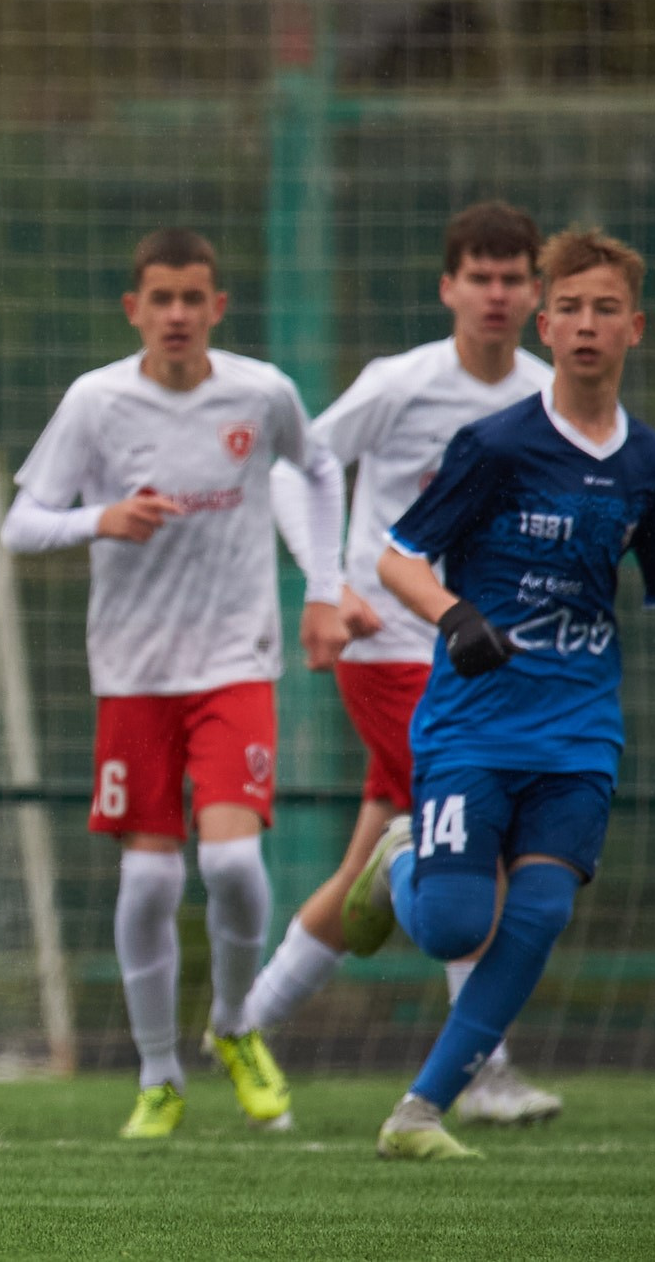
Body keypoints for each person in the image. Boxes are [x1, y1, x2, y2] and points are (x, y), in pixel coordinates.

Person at [345, 227, 655, 1162]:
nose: (585, 324)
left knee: (538, 913)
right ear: (545, 319)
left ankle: (419, 1113)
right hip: (474, 722)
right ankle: (400, 861)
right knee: (455, 921)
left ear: (633, 328)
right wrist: (456, 619)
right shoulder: (494, 445)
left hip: (577, 730)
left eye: (605, 308)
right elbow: (397, 558)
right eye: (568, 307)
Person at [1, 227, 345, 1139]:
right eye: (162, 299)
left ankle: (234, 1024)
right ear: (135, 309)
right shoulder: (96, 401)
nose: (180, 314)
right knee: (151, 884)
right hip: (133, 671)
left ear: (218, 307)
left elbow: (316, 468)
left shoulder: (262, 392)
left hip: (235, 661)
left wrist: (325, 586)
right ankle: (158, 1072)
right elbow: (20, 523)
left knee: (232, 862)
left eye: (196, 298)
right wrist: (99, 521)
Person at [244, 202, 562, 1124]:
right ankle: (485, 1069)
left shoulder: (543, 396)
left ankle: (242, 1023)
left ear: (535, 293)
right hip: (388, 645)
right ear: (448, 287)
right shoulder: (402, 382)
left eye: (513, 279)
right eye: (481, 277)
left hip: (483, 658)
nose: (497, 294)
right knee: (476, 837)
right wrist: (325, 583)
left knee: (372, 867)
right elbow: (291, 465)